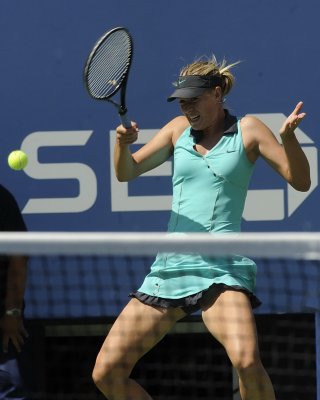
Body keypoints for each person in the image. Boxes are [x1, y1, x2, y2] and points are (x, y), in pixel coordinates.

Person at [92, 56, 311, 400]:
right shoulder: (177, 129)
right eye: (182, 100)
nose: (187, 107)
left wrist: (289, 139)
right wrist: (122, 144)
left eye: (194, 99)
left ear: (218, 93)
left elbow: (300, 181)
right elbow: (127, 172)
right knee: (106, 373)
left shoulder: (248, 130)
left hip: (221, 269)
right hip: (170, 269)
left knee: (247, 361)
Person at [0, 184, 31, 399]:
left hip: (2, 319)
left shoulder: (1, 199)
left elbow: (19, 256)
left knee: (8, 386)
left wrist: (12, 312)